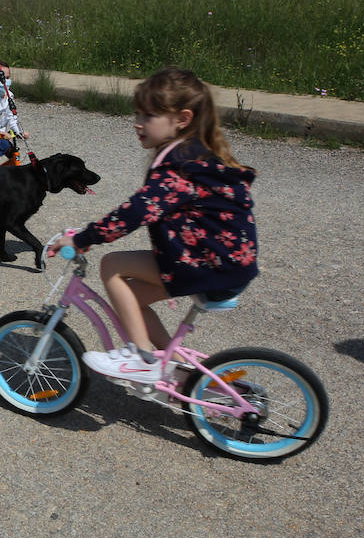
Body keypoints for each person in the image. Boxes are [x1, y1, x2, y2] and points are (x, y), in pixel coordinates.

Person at [50, 68, 259, 383]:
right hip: (226, 262)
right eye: (138, 113)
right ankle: (180, 374)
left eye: (149, 115)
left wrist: (82, 239)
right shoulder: (197, 153)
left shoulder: (179, 165)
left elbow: (136, 212)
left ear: (182, 119)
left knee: (112, 265)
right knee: (131, 296)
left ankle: (139, 357)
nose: (138, 122)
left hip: (210, 265)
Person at [0, 68, 29, 163]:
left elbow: (11, 116)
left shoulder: (10, 96)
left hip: (2, 136)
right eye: (0, 77)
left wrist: (18, 131)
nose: (4, 81)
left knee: (14, 155)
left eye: (7, 77)